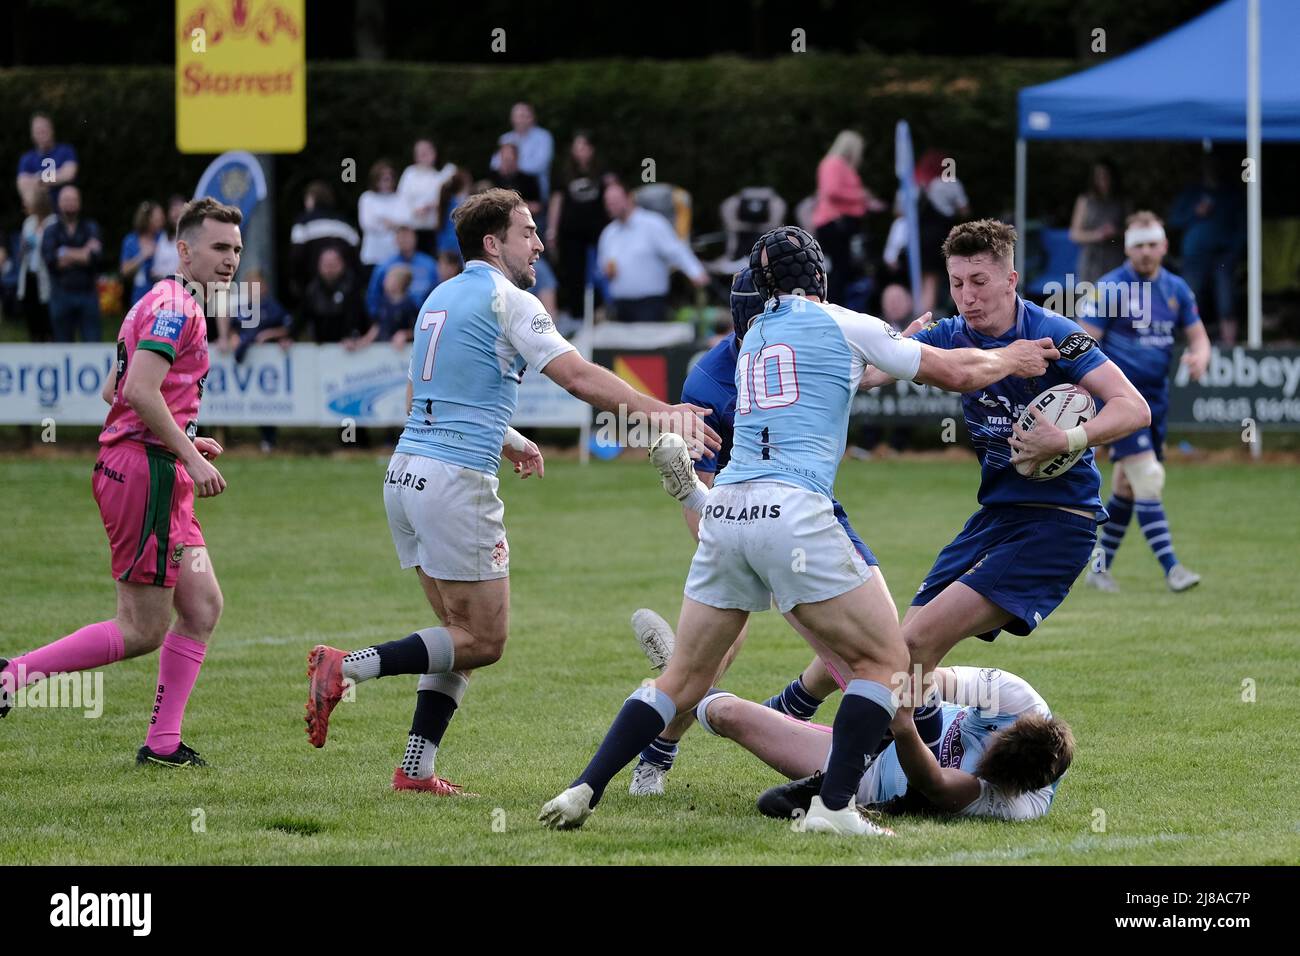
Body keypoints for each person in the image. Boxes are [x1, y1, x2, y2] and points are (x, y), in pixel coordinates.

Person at [538, 225, 1061, 835]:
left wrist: (893, 348)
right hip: (794, 509)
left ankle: (583, 788)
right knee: (889, 662)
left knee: (681, 676)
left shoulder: (756, 333)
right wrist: (1011, 359)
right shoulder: (843, 322)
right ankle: (834, 809)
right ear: (819, 277)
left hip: (728, 510)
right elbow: (955, 373)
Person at [301, 188, 721, 795]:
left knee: (454, 635)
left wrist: (508, 436)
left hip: (404, 475)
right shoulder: (508, 298)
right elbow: (577, 375)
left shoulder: (438, 297)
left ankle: (414, 769)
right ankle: (347, 667)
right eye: (528, 231)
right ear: (493, 243)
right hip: (454, 482)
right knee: (483, 641)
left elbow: (432, 395)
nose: (540, 242)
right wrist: (665, 414)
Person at [623, 270, 942, 798]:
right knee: (741, 649)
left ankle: (796, 712)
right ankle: (662, 750)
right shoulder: (709, 380)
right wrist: (743, 551)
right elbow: (695, 484)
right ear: (744, 321)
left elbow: (852, 374)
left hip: (802, 509)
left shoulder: (803, 330)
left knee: (858, 645)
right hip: (737, 517)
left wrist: (898, 350)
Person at [858, 220, 1150, 693]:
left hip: (1058, 523)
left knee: (912, 647)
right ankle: (938, 746)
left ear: (1010, 280)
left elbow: (1134, 408)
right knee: (898, 655)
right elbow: (868, 377)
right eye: (957, 284)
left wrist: (1068, 439)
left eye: (979, 282)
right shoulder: (950, 335)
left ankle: (868, 753)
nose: (967, 296)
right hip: (995, 517)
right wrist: (887, 351)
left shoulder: (1057, 335)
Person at [1, 198, 242, 769]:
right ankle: (11, 674)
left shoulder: (158, 299)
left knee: (203, 605)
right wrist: (188, 451)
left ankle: (161, 744)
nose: (230, 260)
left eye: (235, 248)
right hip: (146, 477)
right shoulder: (177, 309)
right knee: (142, 628)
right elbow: (135, 390)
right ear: (184, 249)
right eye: (218, 247)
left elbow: (115, 390)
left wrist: (183, 435)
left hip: (158, 468)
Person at [703, 666, 1073, 823]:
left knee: (729, 716)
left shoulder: (1020, 804)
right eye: (990, 741)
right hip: (896, 721)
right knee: (862, 648)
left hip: (870, 779)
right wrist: (898, 705)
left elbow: (935, 784)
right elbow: (932, 677)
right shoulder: (1023, 701)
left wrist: (904, 729)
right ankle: (790, 704)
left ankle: (688, 690)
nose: (983, 743)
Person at [1077, 211, 1210, 593]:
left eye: (1153, 244)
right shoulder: (1109, 288)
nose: (1147, 252)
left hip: (1156, 403)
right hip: (1120, 401)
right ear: (1128, 248)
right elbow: (1083, 343)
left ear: (1165, 246)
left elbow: (1198, 336)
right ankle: (1173, 570)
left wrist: (1201, 355)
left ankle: (1099, 569)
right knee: (1148, 478)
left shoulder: (1177, 289)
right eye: (1139, 245)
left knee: (1127, 488)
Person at [597, 179, 708, 323]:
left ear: (629, 198)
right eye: (608, 202)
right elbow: (602, 266)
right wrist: (606, 271)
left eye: (615, 200)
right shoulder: (609, 233)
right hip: (620, 306)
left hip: (650, 305)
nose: (610, 206)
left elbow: (677, 251)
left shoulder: (653, 224)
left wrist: (696, 273)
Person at [1168, 155, 1244, 345]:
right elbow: (1174, 220)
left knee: (1226, 300)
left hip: (1222, 255)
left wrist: (1234, 251)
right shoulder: (1192, 193)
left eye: (1215, 166)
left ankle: (1229, 344)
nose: (1212, 170)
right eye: (1208, 166)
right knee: (1189, 300)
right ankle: (1191, 346)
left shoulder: (1230, 194)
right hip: (1194, 256)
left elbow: (1243, 227)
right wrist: (1195, 213)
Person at [812, 130, 885, 305]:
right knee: (840, 270)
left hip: (841, 224)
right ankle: (835, 306)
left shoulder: (840, 166)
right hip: (835, 224)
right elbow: (831, 191)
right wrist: (862, 196)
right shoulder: (833, 164)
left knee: (844, 269)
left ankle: (839, 305)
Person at [547, 131, 610, 318]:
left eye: (584, 147)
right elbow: (556, 201)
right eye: (577, 147)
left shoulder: (602, 171)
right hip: (571, 232)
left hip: (597, 231)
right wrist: (552, 230)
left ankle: (601, 309)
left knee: (600, 269)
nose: (581, 151)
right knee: (574, 272)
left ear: (591, 150)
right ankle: (577, 313)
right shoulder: (564, 173)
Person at [41, 184, 103, 343]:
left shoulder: (91, 227)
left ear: (80, 202)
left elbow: (95, 258)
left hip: (88, 293)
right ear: (59, 203)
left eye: (73, 199)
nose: (70, 203)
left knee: (92, 343)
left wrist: (64, 252)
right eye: (66, 199)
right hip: (61, 294)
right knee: (62, 345)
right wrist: (83, 253)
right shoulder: (51, 230)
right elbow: (51, 261)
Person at [288, 180, 360, 304]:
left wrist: (296, 284)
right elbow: (356, 255)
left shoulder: (303, 223)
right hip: (344, 289)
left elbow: (296, 257)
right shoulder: (345, 222)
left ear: (311, 199)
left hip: (312, 288)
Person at [291, 246, 369, 346]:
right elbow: (301, 316)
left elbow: (358, 317)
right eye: (326, 265)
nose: (329, 269)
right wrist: (291, 336)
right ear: (319, 266)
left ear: (342, 264)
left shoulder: (353, 286)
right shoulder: (313, 289)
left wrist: (353, 336)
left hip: (348, 347)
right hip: (321, 348)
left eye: (333, 265)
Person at [1069, 160, 1127, 286]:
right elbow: (1074, 234)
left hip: (1116, 258)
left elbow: (1132, 231)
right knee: (1090, 299)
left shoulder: (1123, 201)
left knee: (1115, 299)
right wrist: (1098, 235)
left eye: (1106, 175)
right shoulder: (1084, 200)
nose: (1103, 180)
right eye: (1099, 176)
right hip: (1091, 262)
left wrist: (1115, 232)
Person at [399, 138, 457, 255]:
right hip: (416, 229)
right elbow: (401, 199)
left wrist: (436, 204)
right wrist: (414, 211)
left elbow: (454, 195)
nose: (423, 155)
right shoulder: (410, 173)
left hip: (441, 229)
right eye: (420, 152)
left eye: (427, 151)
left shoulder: (447, 171)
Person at [365, 225, 437, 318]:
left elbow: (437, 291)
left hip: (424, 316)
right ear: (395, 240)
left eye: (408, 237)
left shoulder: (429, 264)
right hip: (392, 318)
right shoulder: (384, 266)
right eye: (402, 237)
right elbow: (373, 297)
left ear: (415, 238)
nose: (405, 241)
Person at [490, 102, 554, 201]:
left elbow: (540, 165)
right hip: (507, 195)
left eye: (524, 116)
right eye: (518, 116)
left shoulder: (543, 137)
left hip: (535, 196)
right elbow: (494, 164)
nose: (521, 120)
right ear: (512, 118)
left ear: (532, 117)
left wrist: (513, 166)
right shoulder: (505, 138)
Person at [357, 160, 408, 284]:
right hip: (372, 255)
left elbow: (405, 221)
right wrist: (390, 224)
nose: (386, 182)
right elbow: (366, 223)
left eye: (389, 178)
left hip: (394, 254)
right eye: (383, 179)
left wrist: (381, 220)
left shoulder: (399, 198)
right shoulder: (367, 198)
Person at [16, 186, 55, 342]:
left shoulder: (53, 223)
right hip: (29, 276)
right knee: (33, 319)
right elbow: (21, 252)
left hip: (46, 279)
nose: (25, 204)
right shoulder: (28, 223)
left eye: (28, 200)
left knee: (47, 320)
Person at [16, 112, 78, 206]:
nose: (41, 133)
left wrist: (39, 179)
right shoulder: (27, 158)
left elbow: (68, 175)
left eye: (44, 129)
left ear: (52, 130)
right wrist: (55, 177)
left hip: (62, 215)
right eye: (38, 130)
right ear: (32, 134)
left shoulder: (66, 151)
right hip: (38, 212)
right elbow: (22, 184)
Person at [120, 201, 165, 306]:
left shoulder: (163, 237)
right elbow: (124, 270)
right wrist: (142, 256)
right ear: (148, 219)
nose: (162, 220)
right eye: (158, 217)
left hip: (162, 297)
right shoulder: (131, 240)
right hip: (139, 298)